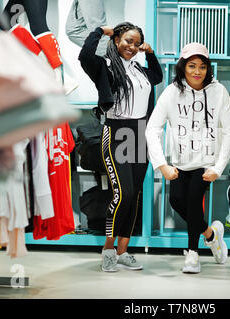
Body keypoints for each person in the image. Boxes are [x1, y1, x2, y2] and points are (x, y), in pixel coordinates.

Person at [145, 42, 230, 273]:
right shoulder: (172, 92)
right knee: (177, 201)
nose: (197, 71)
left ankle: (193, 255)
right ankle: (211, 235)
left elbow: (229, 130)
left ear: (208, 68)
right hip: (179, 161)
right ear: (183, 67)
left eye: (202, 66)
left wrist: (218, 166)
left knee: (194, 201)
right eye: (192, 66)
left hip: (206, 162)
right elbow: (152, 128)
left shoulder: (219, 92)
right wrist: (161, 164)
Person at [79, 22, 162, 272]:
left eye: (136, 43)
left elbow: (156, 77)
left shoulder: (139, 68)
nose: (132, 47)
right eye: (127, 41)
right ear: (116, 41)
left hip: (139, 133)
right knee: (122, 193)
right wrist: (99, 32)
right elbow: (84, 56)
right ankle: (108, 249)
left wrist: (150, 54)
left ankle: (124, 251)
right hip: (117, 132)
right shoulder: (105, 66)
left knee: (134, 194)